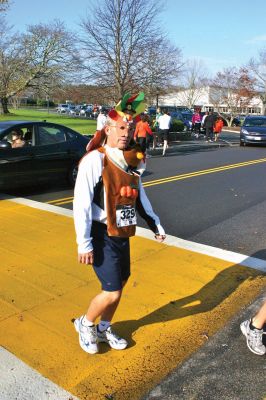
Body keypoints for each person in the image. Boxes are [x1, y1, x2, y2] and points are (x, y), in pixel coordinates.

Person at [73, 92, 166, 354]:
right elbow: (80, 203)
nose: (126, 132)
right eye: (121, 127)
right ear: (108, 129)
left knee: (121, 283)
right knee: (111, 291)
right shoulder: (96, 159)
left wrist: (155, 224)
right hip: (100, 232)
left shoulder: (132, 159)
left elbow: (139, 195)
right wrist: (84, 243)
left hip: (122, 231)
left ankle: (104, 328)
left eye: (130, 127)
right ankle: (86, 324)